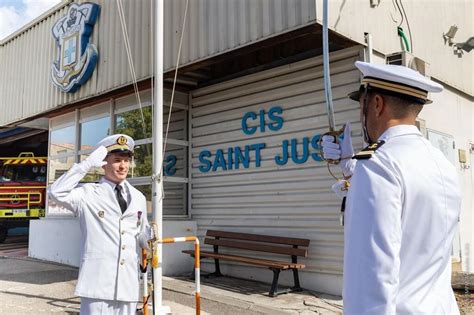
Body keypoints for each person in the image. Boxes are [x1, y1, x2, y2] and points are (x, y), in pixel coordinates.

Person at [322, 61, 461, 314]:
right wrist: (349, 168)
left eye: (361, 105)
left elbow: (370, 277)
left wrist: (359, 169)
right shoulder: (442, 164)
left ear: (376, 104)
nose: (360, 114)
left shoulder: (378, 164)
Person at [49, 134, 150, 315]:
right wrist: (85, 165)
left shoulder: (138, 197)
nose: (123, 166)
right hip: (97, 285)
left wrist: (147, 239)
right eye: (117, 160)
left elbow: (141, 232)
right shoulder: (88, 194)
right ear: (104, 162)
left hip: (127, 285)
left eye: (126, 160)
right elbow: (56, 192)